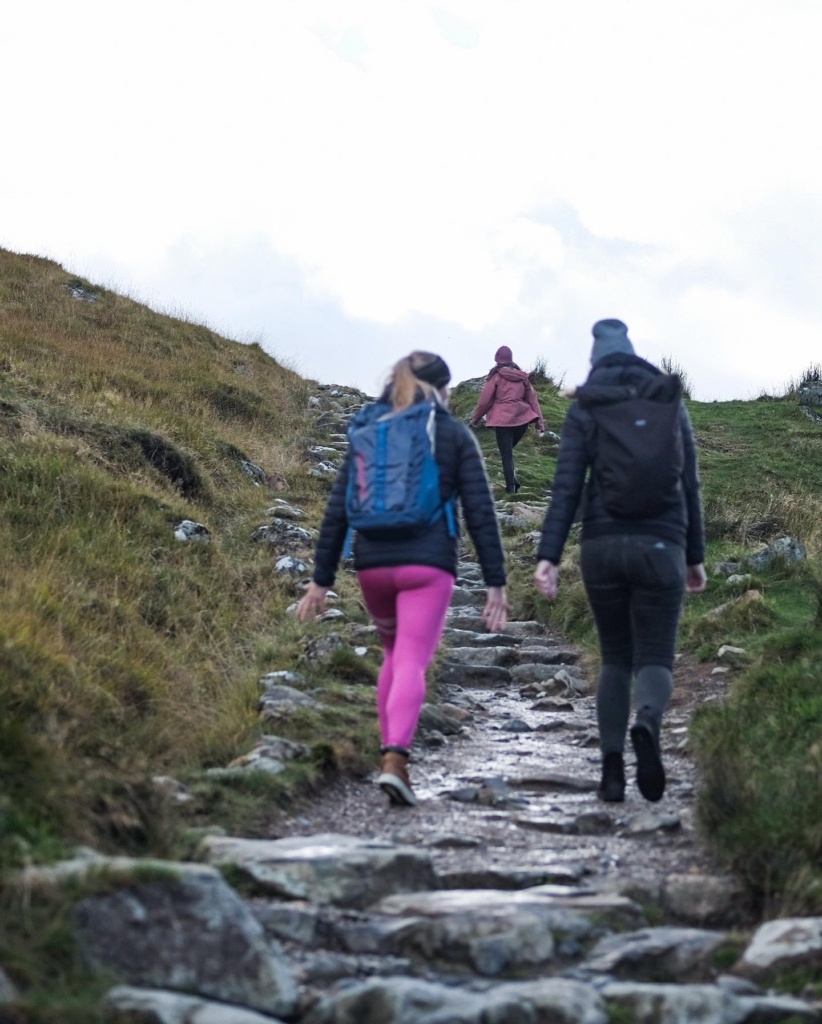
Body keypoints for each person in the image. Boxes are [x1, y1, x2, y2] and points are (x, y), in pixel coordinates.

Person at [297, 351, 509, 807]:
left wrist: (321, 579)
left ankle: (387, 755)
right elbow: (480, 512)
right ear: (440, 389)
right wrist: (496, 583)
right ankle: (396, 759)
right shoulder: (452, 434)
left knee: (393, 653)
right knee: (412, 658)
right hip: (427, 566)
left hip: (373, 565)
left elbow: (338, 509)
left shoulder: (368, 431)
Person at [533, 319, 706, 804]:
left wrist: (548, 556)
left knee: (615, 658)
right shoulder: (668, 398)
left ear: (596, 361)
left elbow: (566, 487)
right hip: (663, 545)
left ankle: (611, 772)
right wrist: (694, 556)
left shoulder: (587, 406)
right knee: (655, 656)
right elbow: (689, 483)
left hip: (603, 548)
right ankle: (647, 723)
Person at [471, 345, 545, 493]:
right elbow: (532, 400)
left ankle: (511, 489)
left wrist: (476, 418)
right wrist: (540, 422)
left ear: (497, 360)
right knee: (507, 453)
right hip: (521, 420)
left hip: (502, 421)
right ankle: (513, 481)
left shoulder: (496, 377)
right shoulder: (523, 378)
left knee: (506, 455)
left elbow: (484, 401)